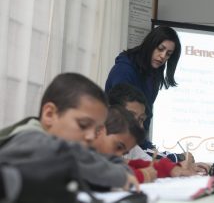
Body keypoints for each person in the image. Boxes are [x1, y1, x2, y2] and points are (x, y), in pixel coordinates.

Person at [0, 73, 139, 192]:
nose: (91, 136)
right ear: (50, 114)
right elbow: (67, 156)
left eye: (96, 130)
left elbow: (101, 160)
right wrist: (118, 176)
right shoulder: (29, 140)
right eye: (83, 125)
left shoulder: (73, 151)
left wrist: (119, 172)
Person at [106, 83, 211, 180]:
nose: (139, 126)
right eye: (131, 116)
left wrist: (179, 167)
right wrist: (144, 175)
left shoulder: (131, 147)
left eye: (141, 119)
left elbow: (147, 163)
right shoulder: (98, 145)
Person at [92, 105, 198, 183]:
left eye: (124, 152)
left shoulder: (111, 157)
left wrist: (172, 168)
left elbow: (133, 164)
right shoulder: (83, 156)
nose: (119, 155)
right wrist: (142, 175)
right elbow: (103, 175)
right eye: (119, 146)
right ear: (99, 131)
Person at [105, 25, 181, 134]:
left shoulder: (155, 72)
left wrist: (147, 146)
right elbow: (123, 115)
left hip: (136, 140)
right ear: (150, 44)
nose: (163, 56)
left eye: (168, 54)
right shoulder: (124, 70)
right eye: (160, 49)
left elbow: (146, 114)